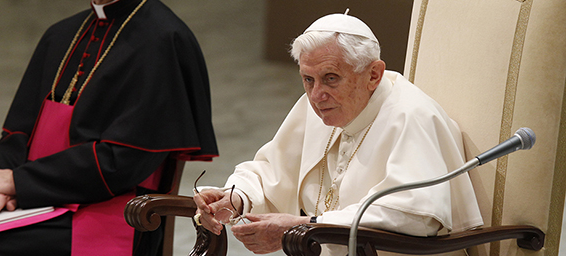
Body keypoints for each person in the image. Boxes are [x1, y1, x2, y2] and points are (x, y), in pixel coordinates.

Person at [193, 12, 482, 255]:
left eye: (331, 78)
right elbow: (272, 170)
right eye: (308, 79)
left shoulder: (412, 117)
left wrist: (307, 225)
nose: (317, 95)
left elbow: (415, 216)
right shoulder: (318, 106)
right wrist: (236, 197)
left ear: (373, 75)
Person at [0, 0, 218, 255]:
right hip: (35, 197)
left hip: (112, 210)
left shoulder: (163, 39)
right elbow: (18, 129)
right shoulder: (61, 33)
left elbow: (122, 162)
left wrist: (17, 183)